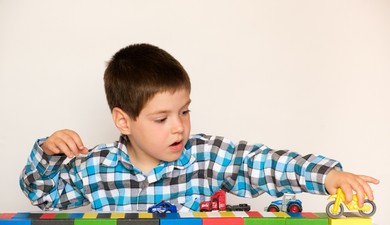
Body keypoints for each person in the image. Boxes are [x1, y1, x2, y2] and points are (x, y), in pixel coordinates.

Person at [19, 43, 379, 212]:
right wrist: (48, 153)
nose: (179, 128)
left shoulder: (206, 156)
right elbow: (44, 197)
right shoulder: (94, 167)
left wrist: (327, 176)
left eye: (185, 112)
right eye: (161, 119)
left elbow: (264, 163)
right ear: (123, 120)